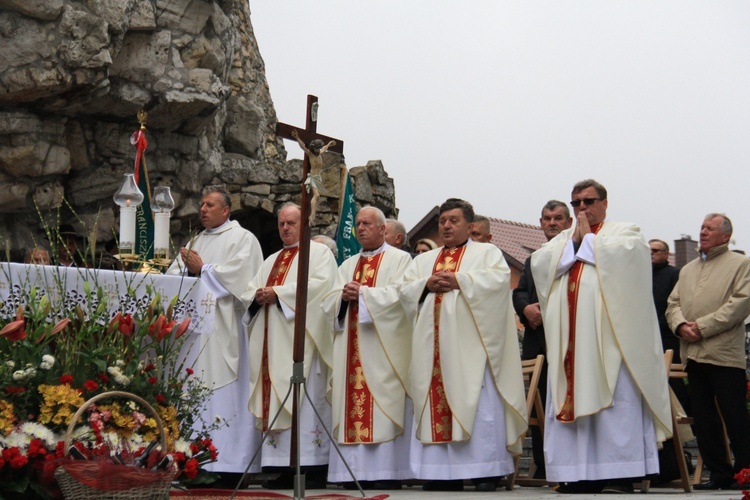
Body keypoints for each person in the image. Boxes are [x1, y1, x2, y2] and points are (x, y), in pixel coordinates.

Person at [530, 179, 672, 494]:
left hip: (612, 340)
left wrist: (584, 243)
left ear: (604, 203)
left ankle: (621, 473)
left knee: (616, 403)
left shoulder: (626, 232)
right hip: (570, 342)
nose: (582, 208)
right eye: (576, 202)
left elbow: (631, 258)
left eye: (588, 201)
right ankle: (576, 474)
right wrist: (574, 243)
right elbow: (539, 264)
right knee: (572, 400)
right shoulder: (563, 239)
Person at [399, 198, 527, 492]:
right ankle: (441, 473)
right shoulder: (422, 262)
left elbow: (498, 282)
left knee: (480, 406)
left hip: (473, 350)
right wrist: (425, 286)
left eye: (453, 221)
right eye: (443, 221)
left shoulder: (487, 253)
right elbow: (403, 292)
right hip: (431, 351)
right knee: (435, 405)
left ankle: (486, 471)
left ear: (470, 226)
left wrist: (459, 280)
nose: (445, 226)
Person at [165, 185, 264, 480]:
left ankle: (232, 466)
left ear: (225, 210)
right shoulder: (196, 240)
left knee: (225, 396)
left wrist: (203, 268)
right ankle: (195, 463)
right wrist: (189, 270)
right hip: (196, 335)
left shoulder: (243, 239)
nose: (203, 209)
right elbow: (174, 277)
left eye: (209, 205)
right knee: (196, 394)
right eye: (202, 205)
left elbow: (243, 280)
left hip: (226, 331)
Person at [241, 203, 339, 489]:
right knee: (277, 397)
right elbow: (249, 290)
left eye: (291, 223)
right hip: (271, 344)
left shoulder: (318, 253)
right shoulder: (271, 259)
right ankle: (283, 465)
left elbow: (322, 287)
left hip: (302, 345)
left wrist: (279, 294)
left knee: (304, 399)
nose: (285, 228)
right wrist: (257, 296)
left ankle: (312, 464)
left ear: (305, 224)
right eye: (282, 223)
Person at [322, 207, 413, 489]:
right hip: (351, 346)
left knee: (384, 407)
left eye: (367, 224)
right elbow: (328, 303)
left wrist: (363, 294)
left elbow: (404, 296)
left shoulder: (401, 260)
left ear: (383, 229)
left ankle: (388, 472)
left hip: (384, 348)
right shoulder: (347, 264)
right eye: (358, 224)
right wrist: (342, 298)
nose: (360, 228)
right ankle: (351, 473)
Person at [666, 213, 750, 491]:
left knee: (735, 416)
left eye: (710, 229)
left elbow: (740, 303)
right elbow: (672, 303)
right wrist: (680, 325)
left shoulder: (741, 264)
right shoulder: (687, 269)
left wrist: (701, 326)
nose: (702, 232)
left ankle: (746, 473)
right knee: (703, 419)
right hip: (692, 353)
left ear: (725, 236)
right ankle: (719, 475)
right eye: (702, 227)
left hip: (724, 354)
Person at [512, 199, 572, 480]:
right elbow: (519, 291)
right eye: (547, 218)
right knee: (539, 404)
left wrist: (545, 310)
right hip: (539, 347)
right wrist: (525, 309)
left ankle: (570, 464)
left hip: (569, 344)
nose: (552, 223)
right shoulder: (533, 258)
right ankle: (543, 465)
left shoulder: (577, 253)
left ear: (569, 223)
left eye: (558, 218)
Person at [291, 129, 336, 224]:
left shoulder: (319, 153)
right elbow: (302, 146)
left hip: (318, 178)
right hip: (312, 177)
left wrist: (330, 144)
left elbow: (324, 148)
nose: (318, 150)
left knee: (317, 197)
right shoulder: (311, 155)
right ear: (313, 148)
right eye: (316, 148)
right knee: (316, 195)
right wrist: (297, 137)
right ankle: (312, 215)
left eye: (318, 149)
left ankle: (313, 215)